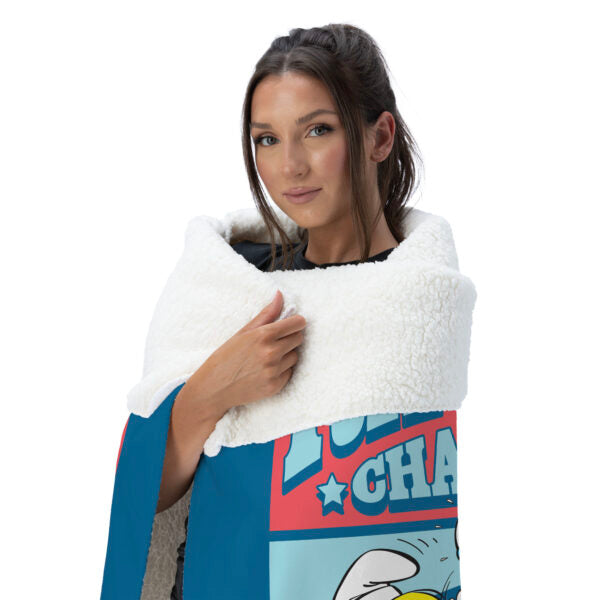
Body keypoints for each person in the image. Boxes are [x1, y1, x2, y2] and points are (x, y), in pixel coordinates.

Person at [100, 23, 475, 600]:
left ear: (379, 138)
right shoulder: (231, 283)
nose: (289, 166)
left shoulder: (420, 295)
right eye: (267, 139)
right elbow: (144, 495)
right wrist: (211, 390)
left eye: (317, 130)